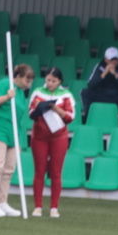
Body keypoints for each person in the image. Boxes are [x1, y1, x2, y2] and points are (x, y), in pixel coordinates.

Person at [0, 64, 34, 218]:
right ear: (18, 76)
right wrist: (7, 97)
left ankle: (2, 201)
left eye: (31, 80)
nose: (29, 84)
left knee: (8, 170)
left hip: (13, 134)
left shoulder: (21, 93)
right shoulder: (5, 84)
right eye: (27, 79)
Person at [28, 67, 76, 218]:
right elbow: (31, 112)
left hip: (59, 137)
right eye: (48, 80)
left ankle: (54, 207)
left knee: (56, 172)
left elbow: (70, 117)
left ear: (60, 81)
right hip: (39, 136)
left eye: (53, 81)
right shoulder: (37, 91)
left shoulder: (66, 95)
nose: (49, 83)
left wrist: (55, 109)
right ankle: (38, 207)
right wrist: (38, 110)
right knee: (39, 171)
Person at [81, 47, 118, 117]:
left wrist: (115, 75)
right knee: (85, 92)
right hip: (103, 95)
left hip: (117, 96)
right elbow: (91, 84)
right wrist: (104, 73)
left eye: (116, 59)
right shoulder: (100, 66)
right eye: (111, 60)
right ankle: (87, 119)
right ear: (106, 59)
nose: (114, 62)